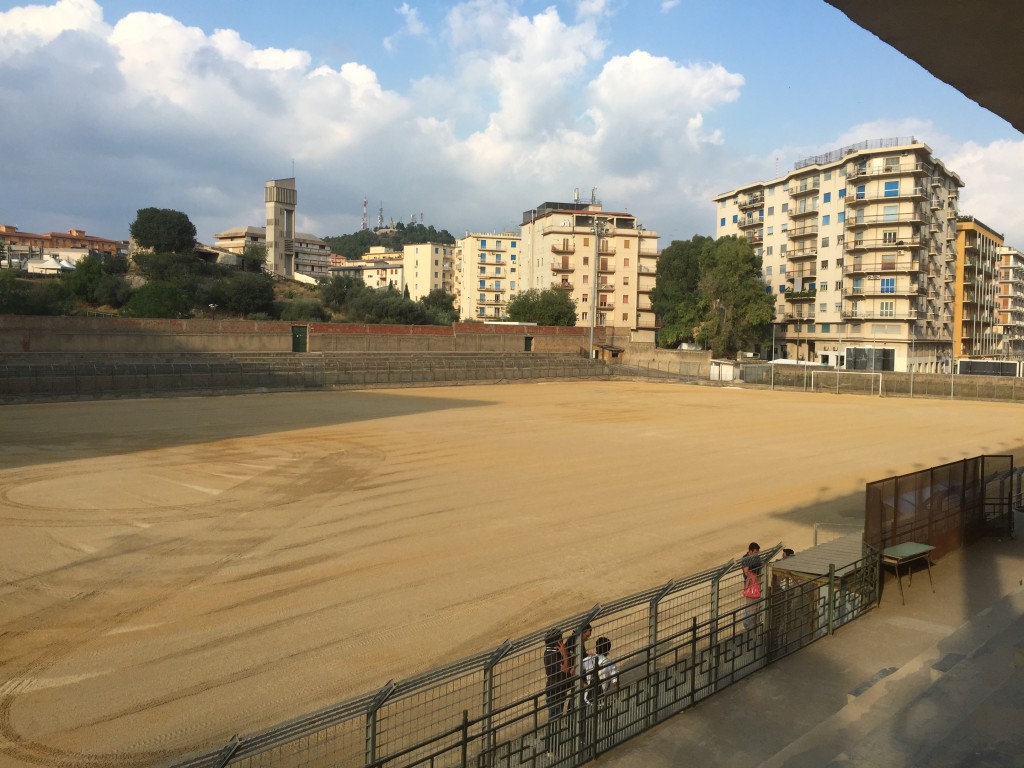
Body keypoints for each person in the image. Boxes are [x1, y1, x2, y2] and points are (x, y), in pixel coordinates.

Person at [543, 628, 572, 721]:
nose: (562, 641)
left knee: (556, 719)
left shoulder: (553, 652)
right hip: (555, 691)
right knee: (555, 721)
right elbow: (566, 669)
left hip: (559, 690)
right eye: (560, 639)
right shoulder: (551, 654)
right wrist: (564, 654)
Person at [582, 636, 619, 705]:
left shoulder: (586, 660)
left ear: (596, 647)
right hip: (601, 702)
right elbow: (615, 683)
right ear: (608, 650)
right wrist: (617, 699)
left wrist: (584, 685)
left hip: (587, 701)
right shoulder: (610, 664)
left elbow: (574, 671)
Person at [741, 542, 762, 631]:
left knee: (756, 608)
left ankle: (754, 625)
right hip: (751, 585)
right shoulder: (746, 558)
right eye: (755, 552)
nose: (757, 554)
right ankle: (748, 627)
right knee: (750, 608)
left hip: (756, 585)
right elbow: (746, 572)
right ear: (750, 551)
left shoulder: (756, 557)